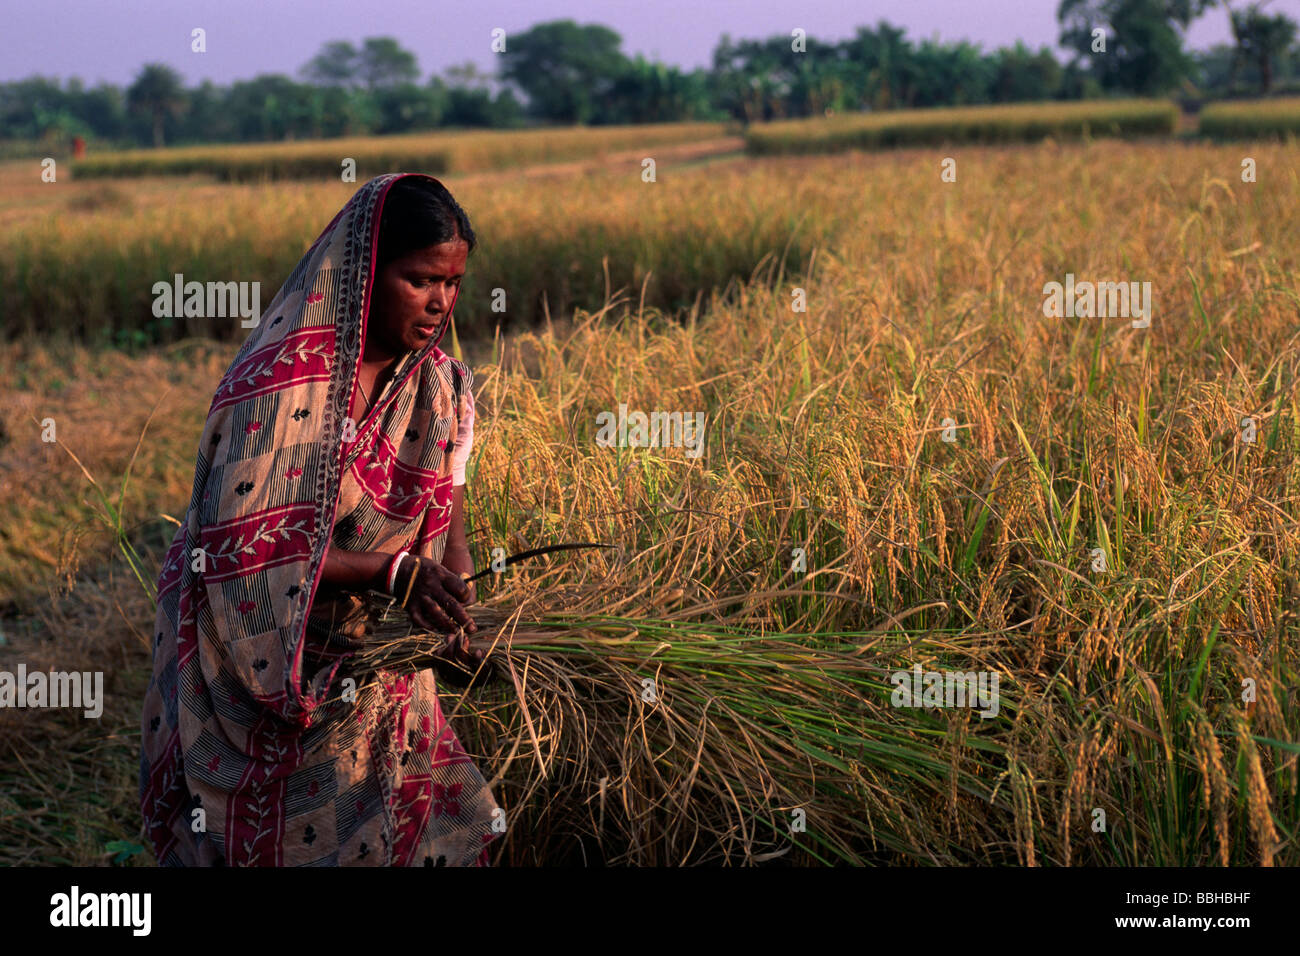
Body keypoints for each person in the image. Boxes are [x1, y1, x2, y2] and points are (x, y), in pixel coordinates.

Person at [139, 172, 503, 866]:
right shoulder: (278, 385)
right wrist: (395, 573)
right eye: (421, 279)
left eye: (453, 284)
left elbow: (447, 513)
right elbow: (242, 546)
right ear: (364, 273)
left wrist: (456, 602)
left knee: (438, 825)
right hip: (244, 649)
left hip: (370, 653)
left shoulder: (443, 386)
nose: (440, 303)